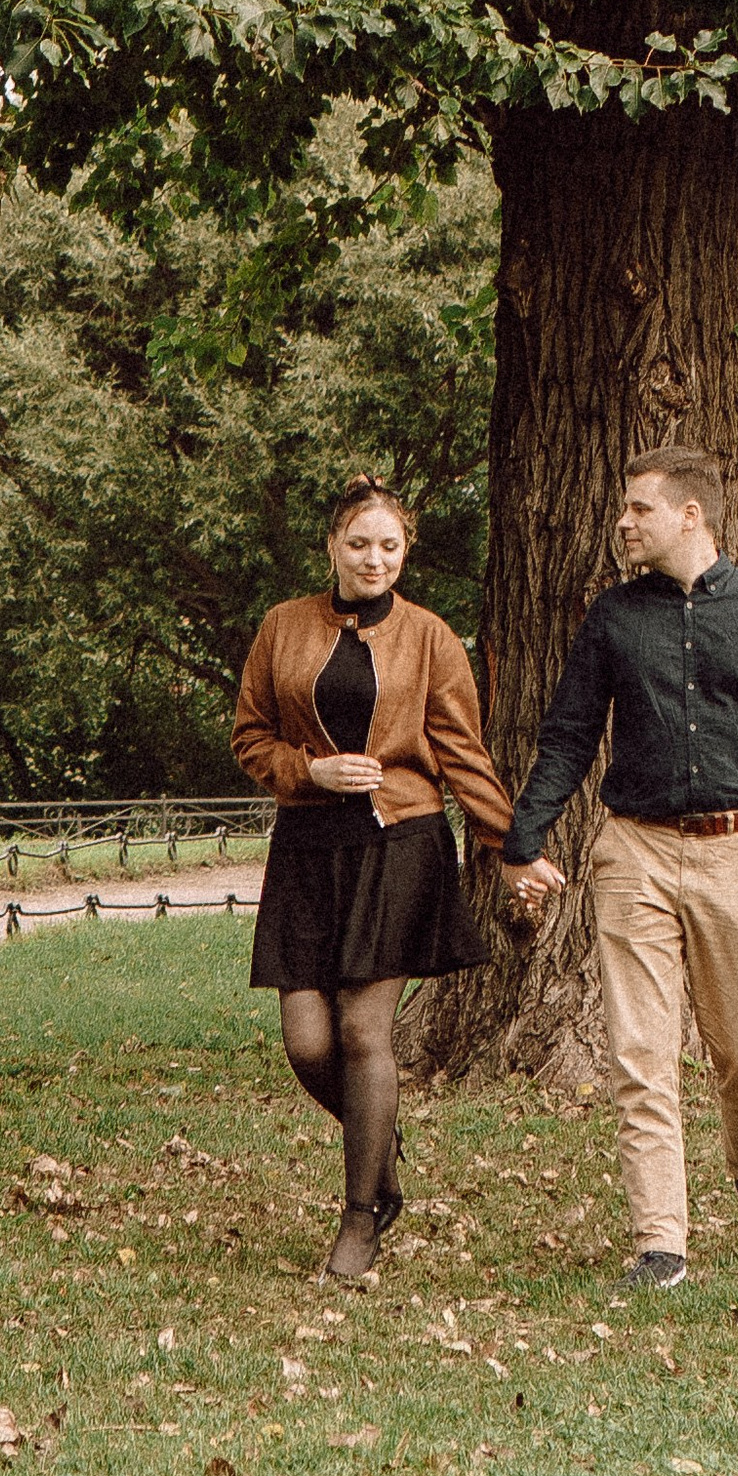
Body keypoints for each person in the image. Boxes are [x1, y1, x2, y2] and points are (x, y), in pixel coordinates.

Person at [501, 445, 738, 1288]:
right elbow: (568, 736)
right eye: (625, 507)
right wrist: (525, 838)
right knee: (641, 1054)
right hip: (633, 852)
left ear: (690, 515)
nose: (623, 523)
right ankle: (660, 1240)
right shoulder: (612, 617)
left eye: (640, 508)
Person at [234, 480, 515, 1283]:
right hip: (307, 848)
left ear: (405, 552)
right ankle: (378, 1145)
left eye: (389, 546)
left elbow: (461, 752)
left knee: (364, 1032)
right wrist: (308, 770)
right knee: (306, 1042)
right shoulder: (283, 626)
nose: (373, 560)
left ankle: (362, 1216)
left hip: (400, 844)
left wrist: (512, 844)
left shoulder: (429, 637)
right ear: (332, 547)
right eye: (359, 544)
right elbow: (250, 735)